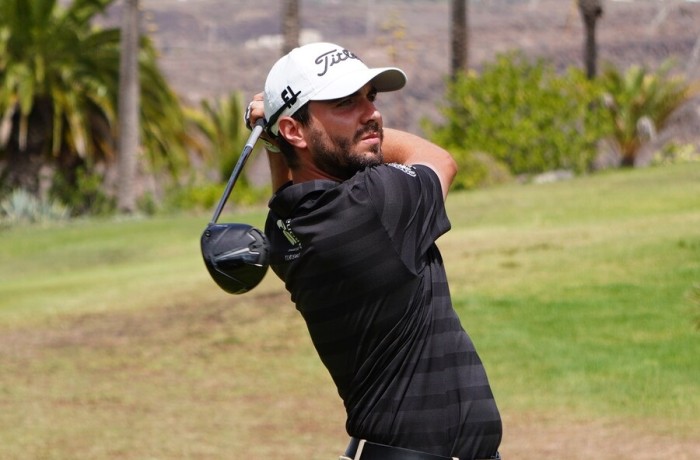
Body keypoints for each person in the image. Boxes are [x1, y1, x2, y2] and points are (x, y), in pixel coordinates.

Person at [244, 42, 502, 460]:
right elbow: (438, 159)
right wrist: (278, 131)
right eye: (346, 103)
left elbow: (287, 188)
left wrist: (276, 137)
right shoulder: (373, 203)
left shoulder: (284, 228)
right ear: (296, 130)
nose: (373, 115)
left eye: (371, 99)